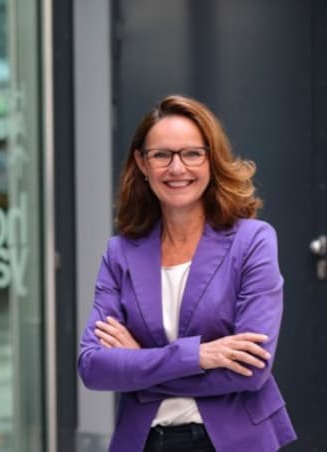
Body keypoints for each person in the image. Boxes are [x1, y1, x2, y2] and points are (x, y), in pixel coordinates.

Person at [77, 95, 296, 451]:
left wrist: (139, 366)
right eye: (162, 155)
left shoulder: (253, 241)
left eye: (192, 153)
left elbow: (252, 370)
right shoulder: (120, 253)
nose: (177, 168)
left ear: (211, 160)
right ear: (142, 163)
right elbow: (93, 366)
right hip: (145, 441)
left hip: (233, 440)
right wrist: (198, 356)